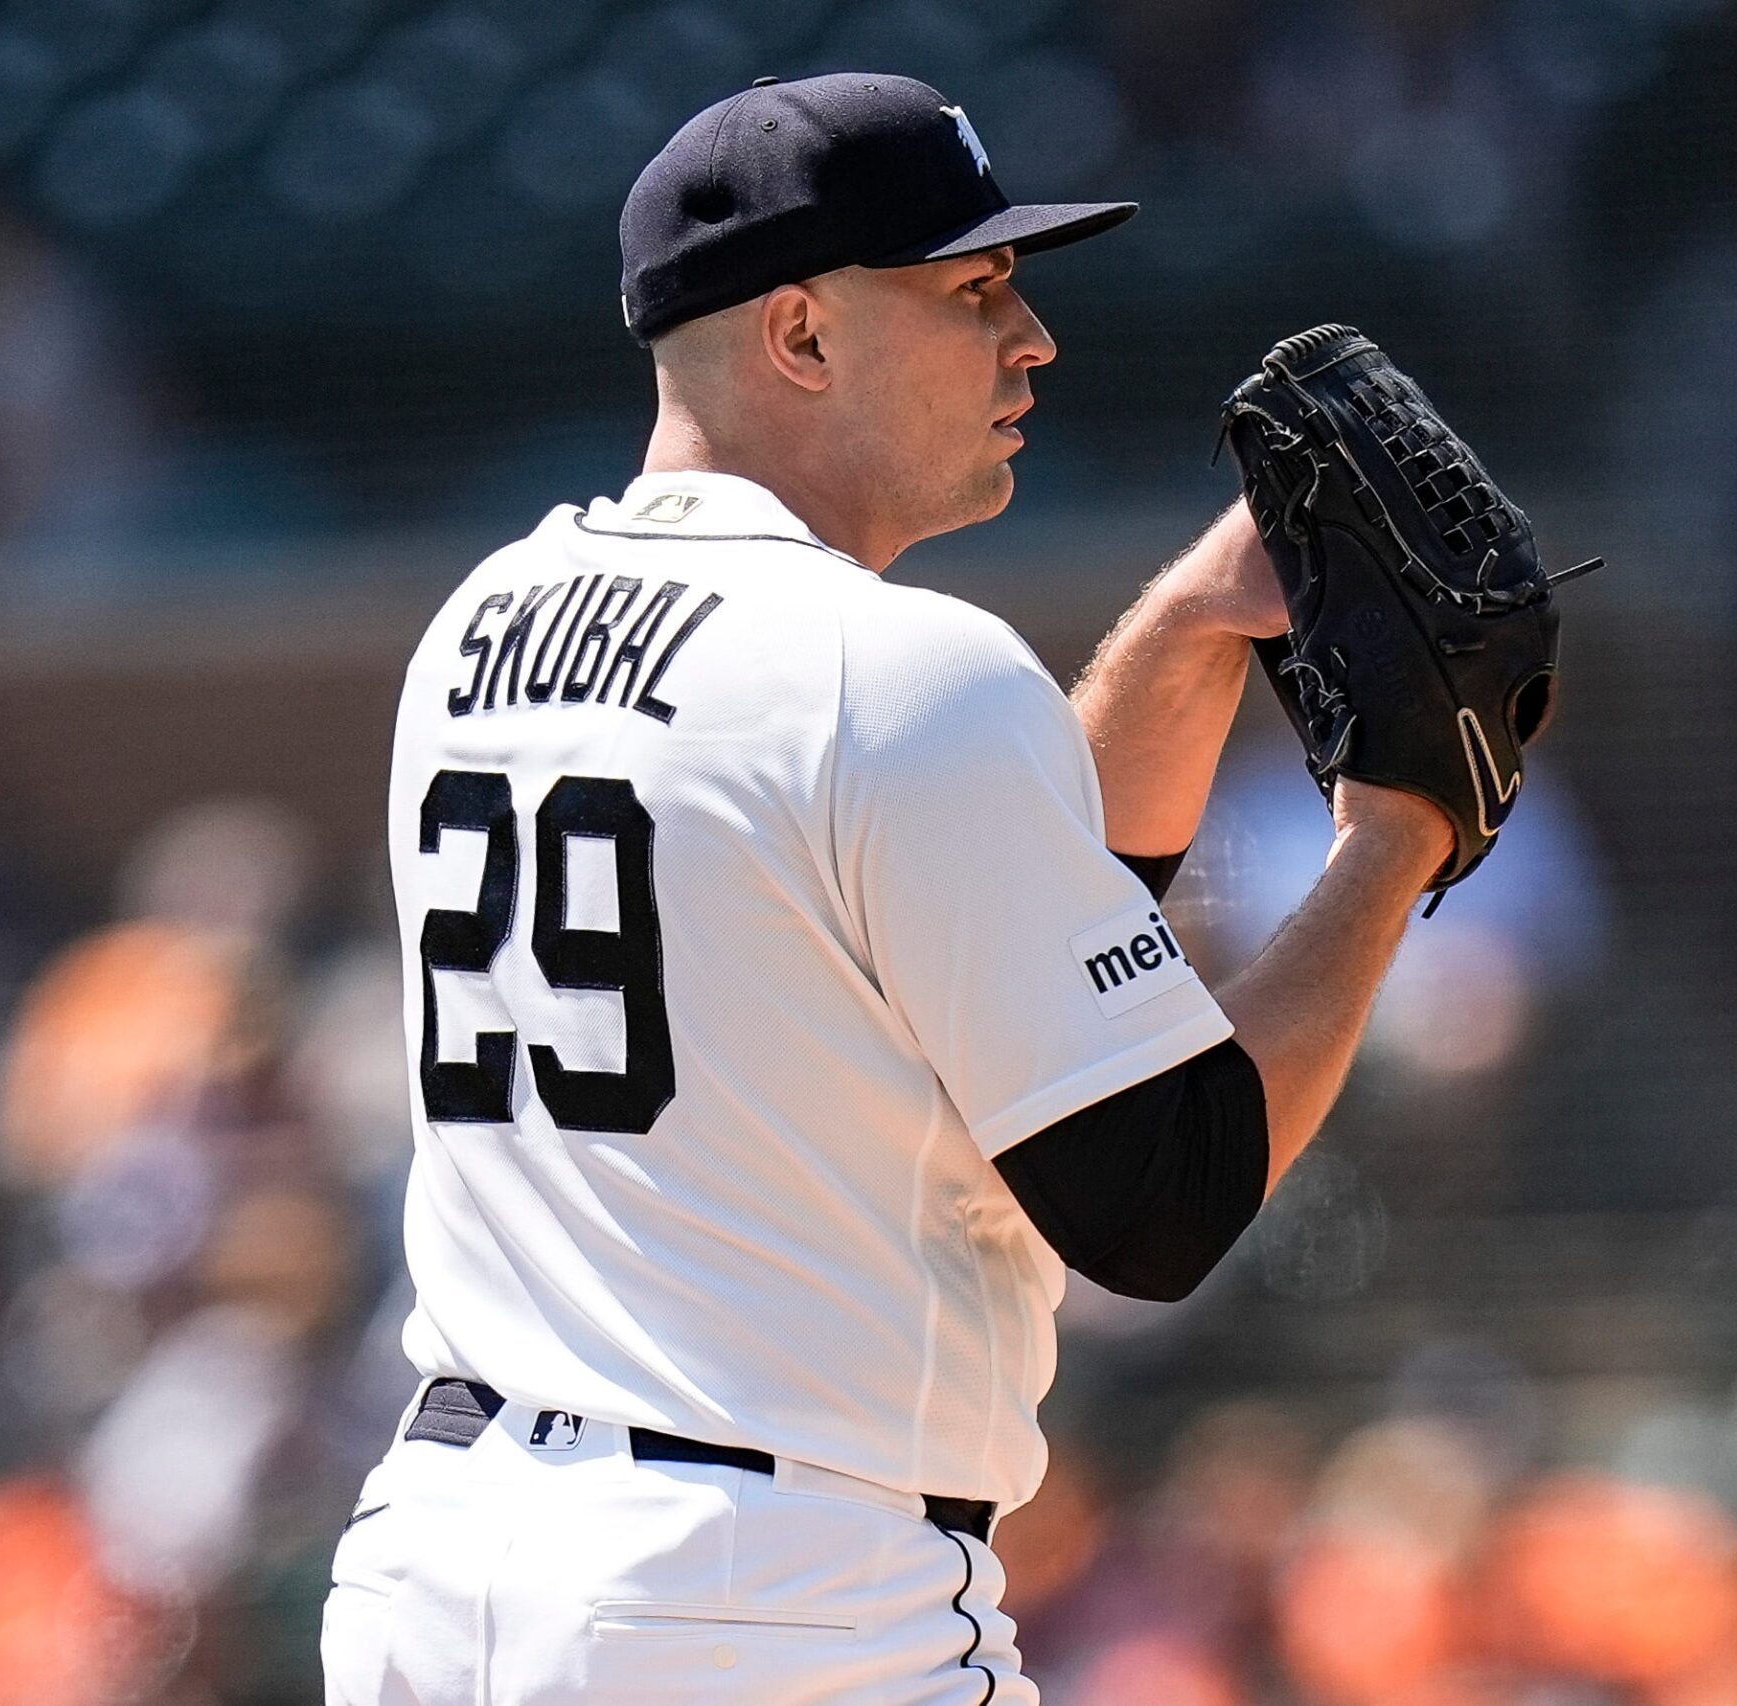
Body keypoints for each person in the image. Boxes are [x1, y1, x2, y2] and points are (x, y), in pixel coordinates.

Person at [322, 73, 1461, 1705]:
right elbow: (1163, 1190)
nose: (1033, 339)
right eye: (972, 290)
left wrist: (1202, 621)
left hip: (440, 1568)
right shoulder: (894, 671)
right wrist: (1401, 832)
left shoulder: (481, 623)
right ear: (798, 336)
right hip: (770, 1599)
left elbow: (992, 924)